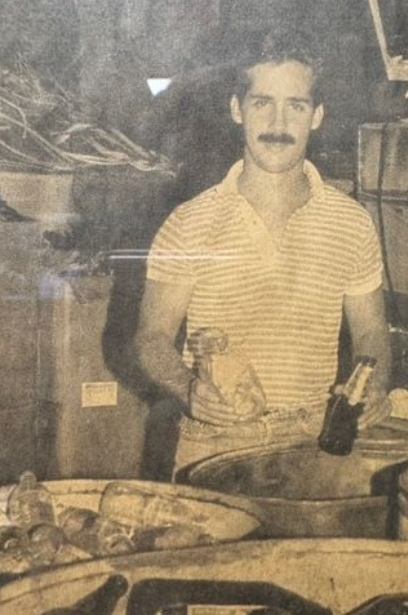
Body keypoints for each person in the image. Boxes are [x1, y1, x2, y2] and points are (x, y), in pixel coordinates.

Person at [136, 29, 392, 476]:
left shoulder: (352, 223)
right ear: (237, 110)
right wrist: (188, 388)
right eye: (262, 103)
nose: (278, 124)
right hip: (216, 440)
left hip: (317, 441)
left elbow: (371, 333)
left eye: (296, 105)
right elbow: (151, 338)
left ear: (317, 116)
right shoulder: (189, 222)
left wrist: (376, 386)